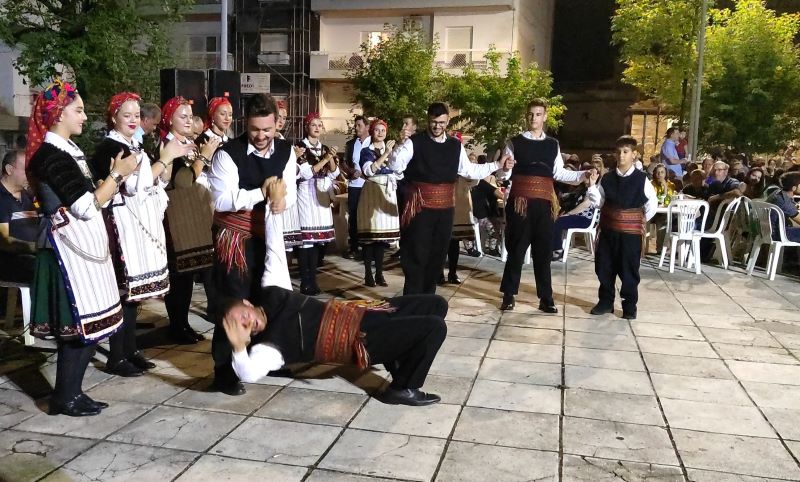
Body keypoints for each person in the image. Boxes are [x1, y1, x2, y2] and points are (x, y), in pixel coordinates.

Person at [26, 80, 135, 416]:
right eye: (79, 110)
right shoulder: (51, 156)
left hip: (82, 249)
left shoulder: (68, 152)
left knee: (90, 327)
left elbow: (93, 200)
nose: (85, 117)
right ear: (59, 113)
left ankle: (71, 392)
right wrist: (117, 176)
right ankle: (65, 396)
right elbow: (86, 207)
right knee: (76, 329)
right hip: (66, 253)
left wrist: (111, 181)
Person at [90, 92, 192, 377]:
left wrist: (165, 163)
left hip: (136, 222)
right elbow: (134, 185)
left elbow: (156, 181)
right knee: (125, 292)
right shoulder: (111, 147)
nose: (134, 120)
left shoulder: (133, 144)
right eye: (127, 115)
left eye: (136, 115)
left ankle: (130, 348)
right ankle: (117, 355)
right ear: (114, 118)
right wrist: (166, 157)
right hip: (121, 224)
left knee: (134, 295)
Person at [220, 285, 447, 406]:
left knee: (435, 304)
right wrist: (238, 347)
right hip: (358, 341)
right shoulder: (268, 346)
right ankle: (402, 389)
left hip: (362, 313)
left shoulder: (271, 294)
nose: (247, 323)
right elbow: (249, 374)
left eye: (243, 315)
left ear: (248, 303)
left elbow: (275, 251)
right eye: (240, 326)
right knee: (434, 328)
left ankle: (397, 357)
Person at [208, 93, 296, 396]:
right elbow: (221, 200)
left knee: (270, 298)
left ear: (277, 124)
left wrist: (282, 200)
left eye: (267, 129)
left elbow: (289, 189)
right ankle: (224, 371)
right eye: (255, 129)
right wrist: (262, 192)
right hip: (236, 238)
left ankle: (266, 357)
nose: (261, 136)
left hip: (269, 234)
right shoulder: (227, 154)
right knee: (235, 302)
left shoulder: (286, 151)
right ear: (246, 123)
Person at [388, 102, 512, 295]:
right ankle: (411, 301)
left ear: (447, 122)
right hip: (419, 208)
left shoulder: (455, 146)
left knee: (437, 257)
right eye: (434, 122)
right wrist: (400, 144)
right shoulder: (415, 142)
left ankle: (428, 300)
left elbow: (469, 170)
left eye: (442, 122)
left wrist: (497, 165)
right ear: (428, 120)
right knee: (416, 255)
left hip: (445, 210)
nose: (437, 126)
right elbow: (395, 165)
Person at [498, 99, 588, 312]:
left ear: (544, 116)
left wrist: (583, 174)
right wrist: (506, 168)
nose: (534, 118)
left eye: (538, 114)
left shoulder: (552, 144)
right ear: (526, 116)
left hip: (545, 205)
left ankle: (546, 298)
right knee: (516, 250)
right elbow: (503, 175)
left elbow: (559, 173)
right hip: (520, 204)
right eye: (530, 114)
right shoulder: (514, 142)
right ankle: (509, 295)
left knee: (543, 252)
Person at [159, 97, 218, 344]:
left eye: (190, 116)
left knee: (187, 276)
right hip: (176, 217)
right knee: (178, 277)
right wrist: (203, 157)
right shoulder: (167, 145)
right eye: (182, 116)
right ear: (169, 119)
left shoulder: (188, 143)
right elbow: (182, 181)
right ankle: (177, 326)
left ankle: (183, 324)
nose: (188, 121)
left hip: (191, 216)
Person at [586, 136, 658, 320]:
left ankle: (629, 306)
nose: (621, 155)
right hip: (608, 232)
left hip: (630, 235)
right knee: (605, 266)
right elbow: (600, 203)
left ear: (634, 155)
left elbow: (651, 205)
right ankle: (605, 302)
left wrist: (634, 221)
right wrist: (592, 187)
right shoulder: (608, 178)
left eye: (625, 152)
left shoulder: (642, 179)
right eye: (618, 152)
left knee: (629, 269)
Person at [295, 113, 340, 295]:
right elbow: (306, 172)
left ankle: (313, 280)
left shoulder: (325, 148)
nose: (317, 128)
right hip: (306, 194)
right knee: (306, 241)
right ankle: (305, 281)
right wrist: (325, 159)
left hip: (321, 194)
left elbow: (334, 173)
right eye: (313, 125)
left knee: (316, 242)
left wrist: (331, 158)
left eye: (319, 125)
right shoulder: (300, 147)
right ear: (307, 127)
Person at [357, 119, 400, 287]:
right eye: (377, 130)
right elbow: (369, 171)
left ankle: (380, 274)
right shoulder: (366, 151)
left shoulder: (391, 152)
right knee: (370, 237)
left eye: (383, 130)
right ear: (372, 132)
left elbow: (399, 171)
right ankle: (368, 273)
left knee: (382, 239)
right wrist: (386, 154)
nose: (380, 133)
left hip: (386, 193)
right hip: (372, 192)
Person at [0, 149, 39, 284]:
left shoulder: (29, 196)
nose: (30, 174)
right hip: (12, 263)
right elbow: (4, 241)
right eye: (25, 169)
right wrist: (35, 247)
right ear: (9, 169)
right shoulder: (2, 199)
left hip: (34, 258)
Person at [551, 170, 599, 260]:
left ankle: (558, 250)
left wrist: (569, 214)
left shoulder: (594, 189)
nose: (585, 177)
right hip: (578, 216)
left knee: (557, 222)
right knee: (554, 219)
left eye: (588, 176)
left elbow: (584, 205)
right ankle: (552, 247)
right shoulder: (582, 189)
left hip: (586, 218)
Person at [341, 115, 370, 259]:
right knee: (353, 216)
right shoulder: (351, 144)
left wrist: (365, 174)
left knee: (367, 216)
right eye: (355, 125)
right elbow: (344, 163)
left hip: (369, 185)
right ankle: (354, 247)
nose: (356, 128)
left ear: (367, 127)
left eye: (359, 125)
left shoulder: (373, 142)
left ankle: (368, 248)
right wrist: (352, 171)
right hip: (354, 185)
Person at [766, 172, 800, 242]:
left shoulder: (777, 193)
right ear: (794, 188)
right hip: (777, 234)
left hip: (767, 231)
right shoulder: (784, 201)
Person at [650, 163, 676, 253]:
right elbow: (653, 198)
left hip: (663, 211)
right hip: (652, 211)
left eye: (662, 172)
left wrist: (665, 186)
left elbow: (668, 200)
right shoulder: (651, 184)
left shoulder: (671, 185)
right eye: (658, 172)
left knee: (664, 219)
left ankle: (662, 248)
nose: (660, 174)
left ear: (665, 174)